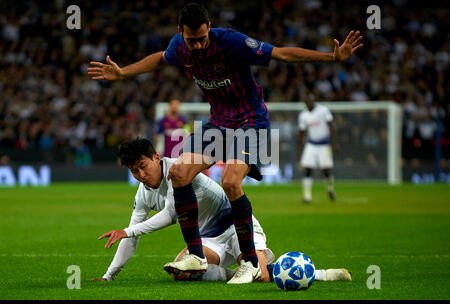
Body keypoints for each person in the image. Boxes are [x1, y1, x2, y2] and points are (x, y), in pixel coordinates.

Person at [88, 2, 363, 284]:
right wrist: (124, 73)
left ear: (209, 28)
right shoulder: (179, 46)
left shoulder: (231, 41)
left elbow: (281, 53)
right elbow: (160, 58)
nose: (196, 46)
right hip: (219, 123)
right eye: (191, 40)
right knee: (179, 172)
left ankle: (251, 263)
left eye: (202, 39)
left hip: (252, 121)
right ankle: (196, 253)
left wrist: (331, 57)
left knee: (231, 181)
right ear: (180, 32)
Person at [92, 137, 351, 283]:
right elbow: (131, 238)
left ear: (157, 158)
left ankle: (319, 274)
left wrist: (127, 230)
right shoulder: (143, 193)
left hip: (235, 226)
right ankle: (232, 273)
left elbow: (171, 215)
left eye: (143, 166)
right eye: (133, 171)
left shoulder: (179, 170)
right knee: (183, 273)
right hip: (207, 238)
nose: (140, 174)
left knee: (260, 277)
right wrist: (109, 276)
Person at [296, 93, 337, 203]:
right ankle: (307, 196)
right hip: (311, 144)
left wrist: (335, 143)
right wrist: (298, 153)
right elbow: (301, 133)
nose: (308, 104)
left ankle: (330, 189)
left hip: (324, 144)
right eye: (306, 102)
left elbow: (331, 126)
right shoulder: (303, 115)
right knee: (308, 169)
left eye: (310, 102)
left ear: (314, 101)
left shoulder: (323, 110)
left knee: (326, 170)